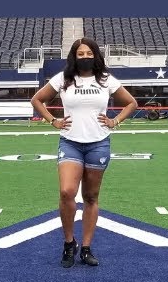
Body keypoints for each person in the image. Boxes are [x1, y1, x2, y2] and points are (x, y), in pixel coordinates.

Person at [31, 37, 138, 268]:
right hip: (70, 142)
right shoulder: (64, 79)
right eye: (80, 54)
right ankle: (69, 243)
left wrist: (115, 121)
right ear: (74, 56)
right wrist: (52, 120)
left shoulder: (106, 80)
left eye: (89, 53)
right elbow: (37, 100)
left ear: (96, 55)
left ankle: (86, 248)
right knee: (67, 192)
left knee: (90, 197)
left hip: (98, 143)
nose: (85, 57)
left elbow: (131, 103)